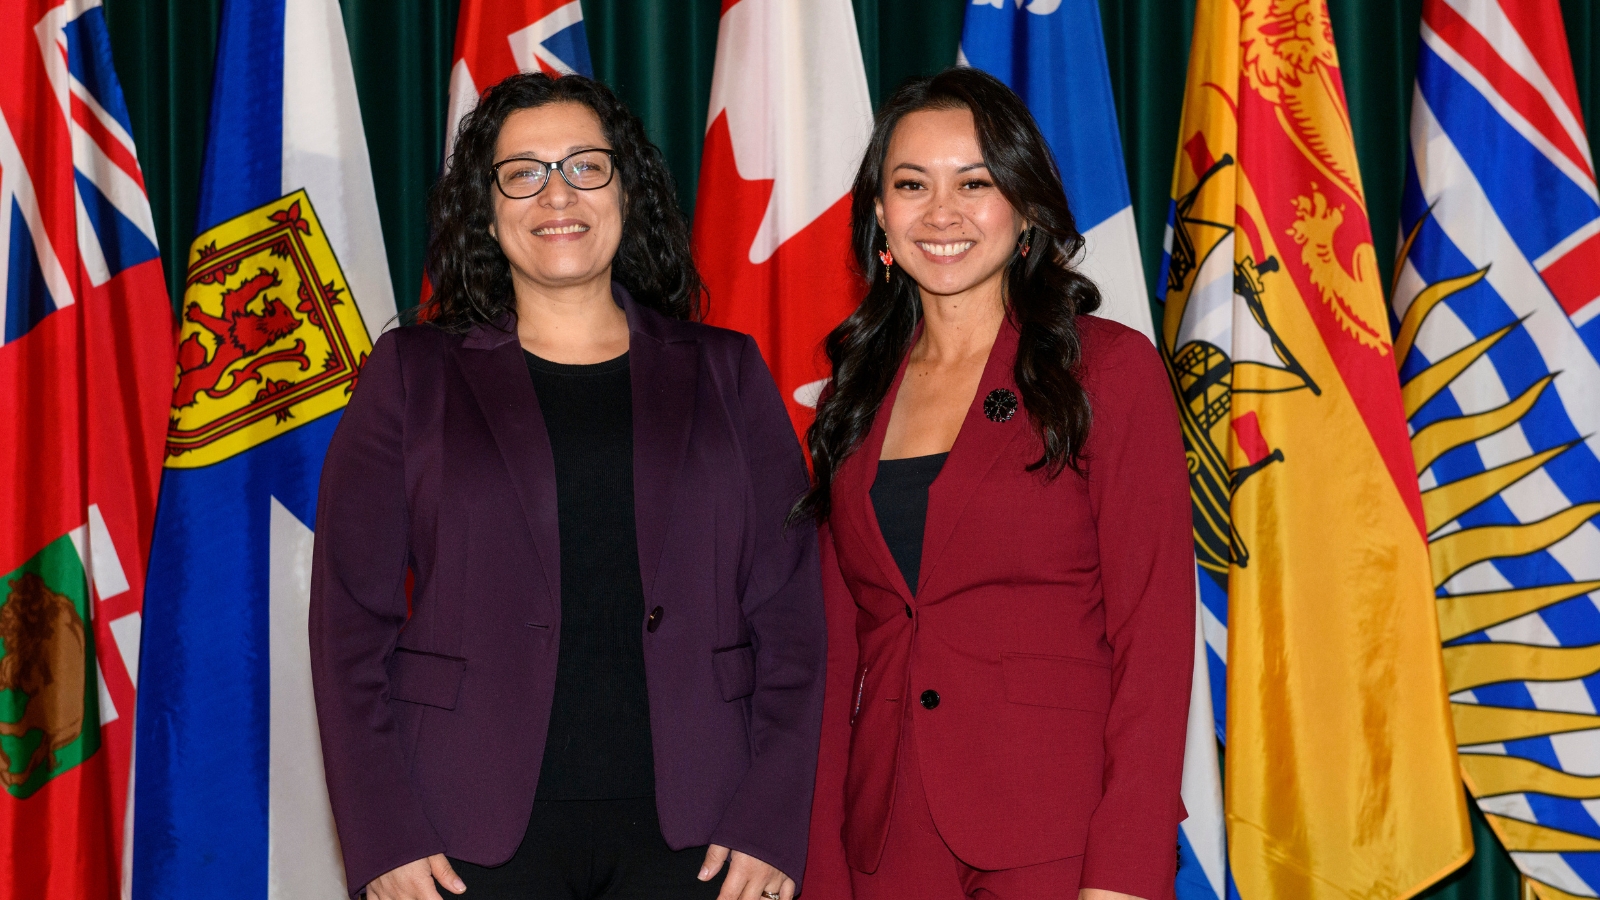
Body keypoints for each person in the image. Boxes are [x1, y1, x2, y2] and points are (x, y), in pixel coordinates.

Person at [309, 73, 825, 900]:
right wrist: (383, 834)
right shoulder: (411, 375)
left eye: (586, 166)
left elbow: (792, 615)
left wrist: (770, 818)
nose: (558, 194)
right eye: (524, 172)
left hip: (704, 834)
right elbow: (348, 622)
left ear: (626, 190)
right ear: (487, 209)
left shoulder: (726, 372)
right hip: (458, 835)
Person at [799, 68, 1195, 900]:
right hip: (887, 839)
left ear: (1024, 210)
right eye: (912, 185)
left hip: (1058, 833)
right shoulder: (852, 396)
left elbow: (1154, 640)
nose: (941, 213)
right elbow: (837, 652)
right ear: (880, 216)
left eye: (974, 183)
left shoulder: (1108, 370)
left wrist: (1125, 870)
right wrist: (824, 868)